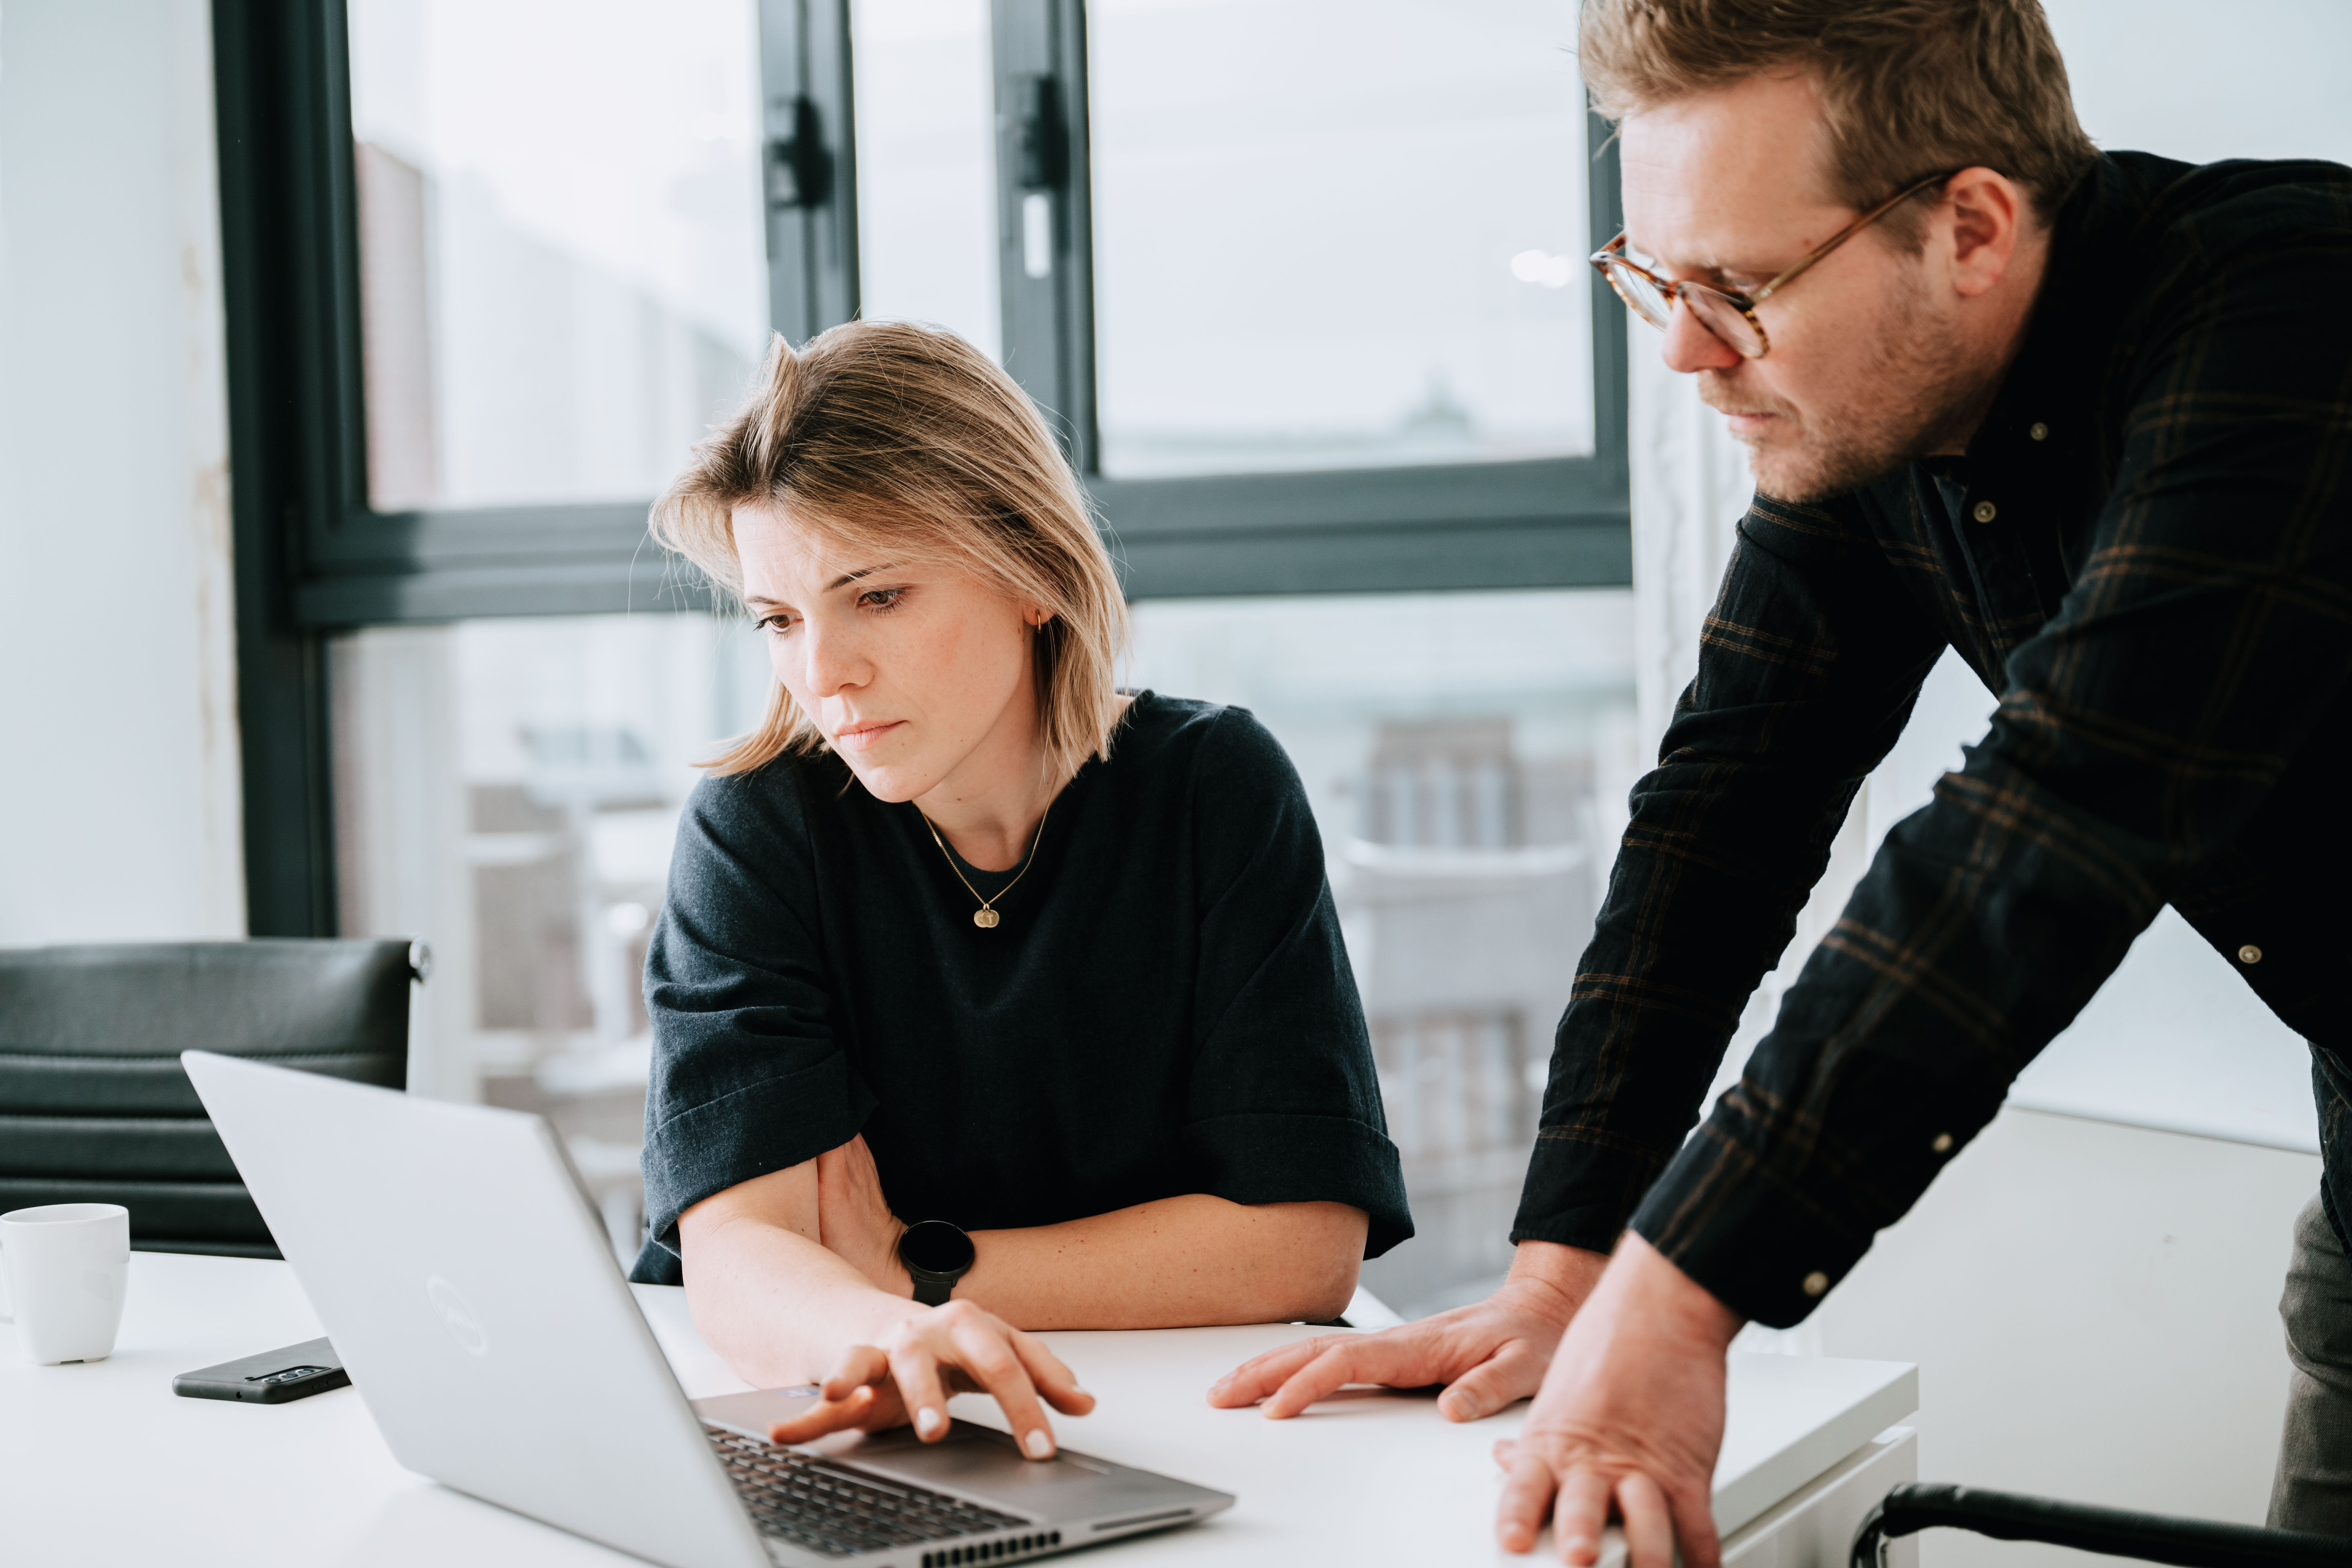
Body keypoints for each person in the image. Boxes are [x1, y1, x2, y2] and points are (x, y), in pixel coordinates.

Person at [1210, 0, 2352, 1559]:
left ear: (1970, 225)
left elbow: (2060, 815)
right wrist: (1565, 1273)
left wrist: (1681, 1292)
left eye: (1738, 288)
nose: (1686, 348)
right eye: (1658, 283)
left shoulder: (2291, 311)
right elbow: (1719, 825)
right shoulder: (1875, 428)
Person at [635, 320, 1412, 1461]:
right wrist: (886, 1332)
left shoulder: (1213, 789)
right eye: (781, 619)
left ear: (1031, 573)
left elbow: (1302, 1245)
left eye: (879, 595)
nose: (822, 671)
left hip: (1168, 1427)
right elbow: (740, 1258)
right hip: (844, 1420)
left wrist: (908, 1263)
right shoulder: (761, 821)